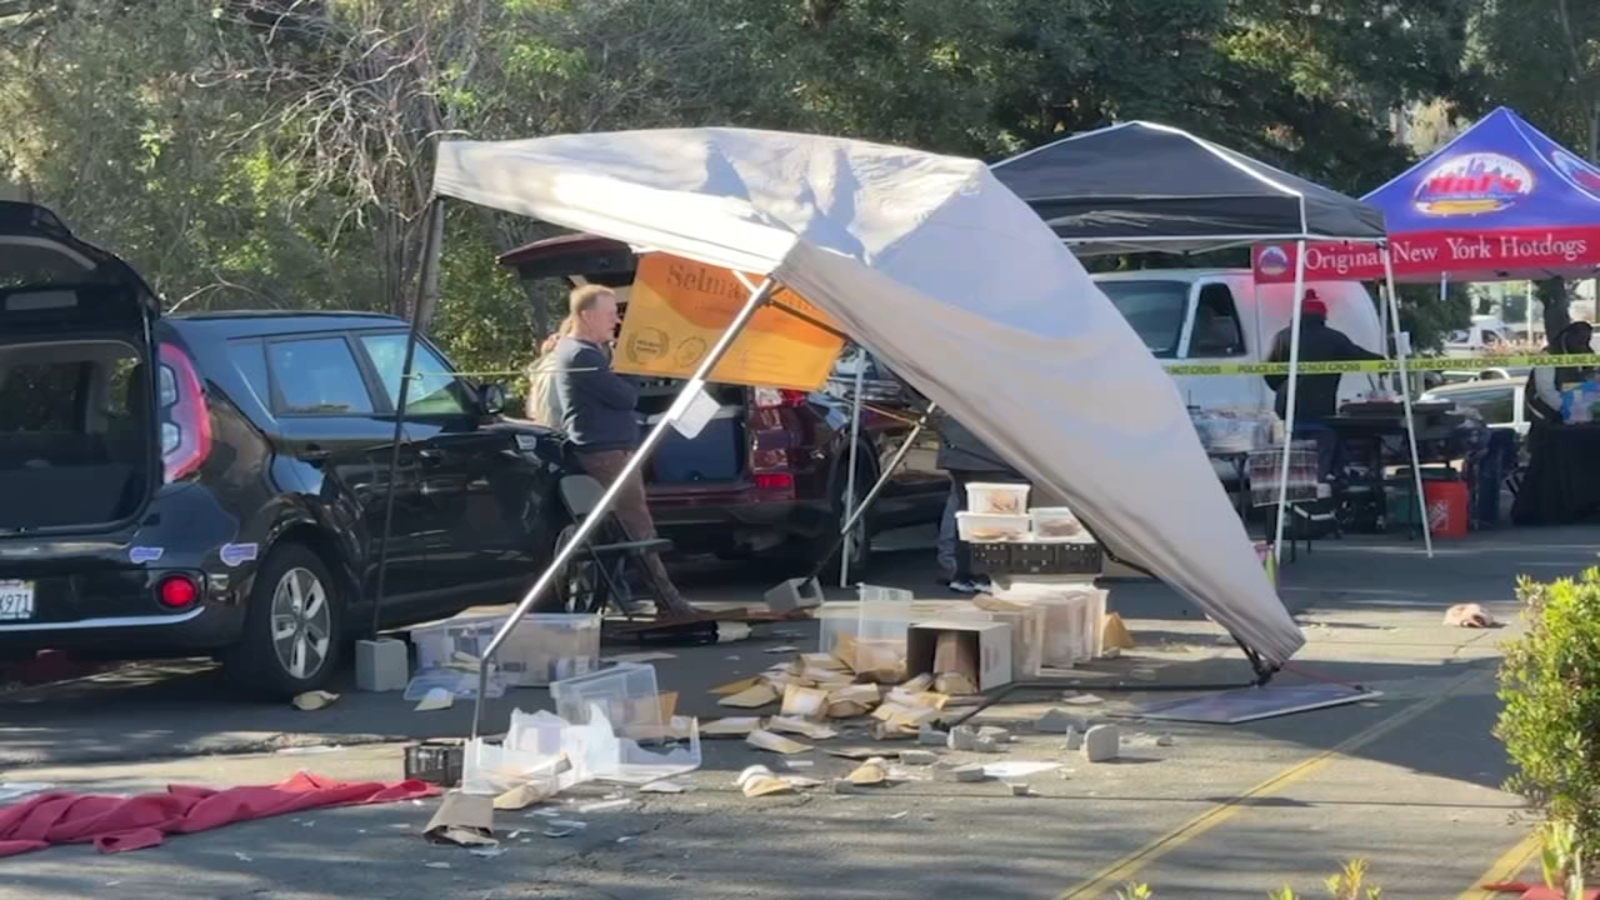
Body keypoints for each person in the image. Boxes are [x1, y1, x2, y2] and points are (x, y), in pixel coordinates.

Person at [554, 285, 695, 620]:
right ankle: (669, 602)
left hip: (610, 449)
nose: (615, 321)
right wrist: (630, 362)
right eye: (609, 315)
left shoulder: (583, 352)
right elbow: (625, 398)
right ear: (586, 317)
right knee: (638, 525)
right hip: (606, 453)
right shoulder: (581, 355)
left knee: (618, 525)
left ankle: (626, 595)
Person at [1262, 290, 1383, 477]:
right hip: (1320, 413)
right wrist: (1385, 363)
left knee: (1292, 468)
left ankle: (1295, 500)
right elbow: (1359, 357)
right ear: (1323, 316)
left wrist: (1285, 389)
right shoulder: (1334, 339)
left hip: (1285, 412)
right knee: (1318, 466)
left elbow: (1270, 374)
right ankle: (1322, 496)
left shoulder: (1282, 337)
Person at [935, 414, 1026, 594]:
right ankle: (987, 575)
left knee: (966, 512)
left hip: (957, 444)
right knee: (999, 516)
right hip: (994, 448)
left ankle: (963, 574)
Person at [1526, 320, 1596, 426]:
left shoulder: (1586, 352)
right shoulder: (1548, 355)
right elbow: (1545, 391)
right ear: (1567, 336)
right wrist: (1568, 409)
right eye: (1580, 341)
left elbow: (1591, 378)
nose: (1583, 346)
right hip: (1548, 417)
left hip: (1578, 416)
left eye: (1587, 341)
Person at [524, 330, 566, 427]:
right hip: (559, 428)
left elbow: (531, 411)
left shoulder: (539, 372)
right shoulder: (557, 370)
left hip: (541, 428)